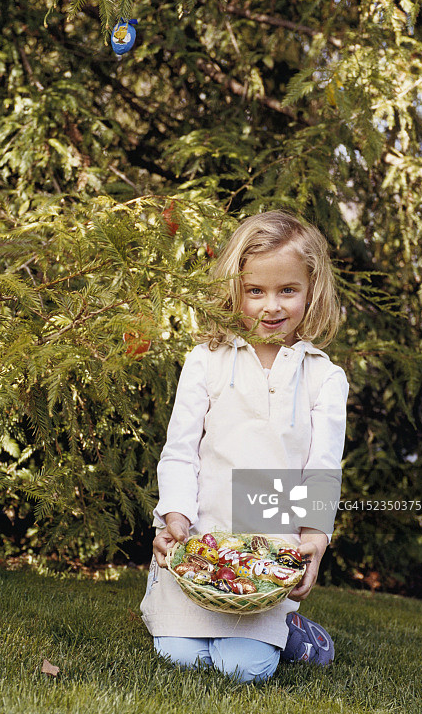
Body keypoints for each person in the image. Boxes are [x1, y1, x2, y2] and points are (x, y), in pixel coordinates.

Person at [140, 210, 348, 683]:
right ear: (235, 290)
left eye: (287, 290)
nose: (270, 307)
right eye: (255, 291)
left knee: (243, 669)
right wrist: (175, 517)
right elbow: (180, 452)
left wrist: (315, 540)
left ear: (312, 290)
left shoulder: (324, 378)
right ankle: (175, 604)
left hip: (266, 550)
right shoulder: (206, 361)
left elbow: (321, 470)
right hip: (201, 539)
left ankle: (289, 631)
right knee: (180, 657)